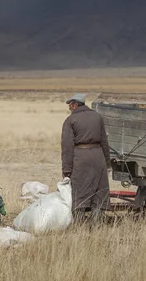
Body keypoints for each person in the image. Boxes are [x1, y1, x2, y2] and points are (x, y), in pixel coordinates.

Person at [61, 93, 111, 224]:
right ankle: (97, 226)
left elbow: (67, 147)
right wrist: (107, 163)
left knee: (80, 192)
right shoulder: (97, 117)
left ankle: (79, 226)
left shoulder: (70, 120)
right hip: (98, 156)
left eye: (70, 105)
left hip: (81, 158)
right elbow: (104, 142)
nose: (69, 108)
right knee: (98, 192)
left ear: (75, 104)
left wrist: (66, 170)